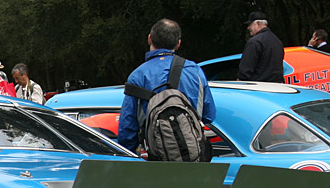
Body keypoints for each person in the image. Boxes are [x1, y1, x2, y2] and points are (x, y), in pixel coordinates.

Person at [118, 18, 216, 153]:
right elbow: (209, 115)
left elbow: (127, 127)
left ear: (150, 39)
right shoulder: (195, 71)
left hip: (155, 158)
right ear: (178, 44)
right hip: (192, 157)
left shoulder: (138, 75)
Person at [238, 11, 285, 83]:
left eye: (250, 24)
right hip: (277, 88)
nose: (248, 28)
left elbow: (245, 72)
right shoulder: (277, 41)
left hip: (258, 89)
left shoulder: (254, 42)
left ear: (258, 24)